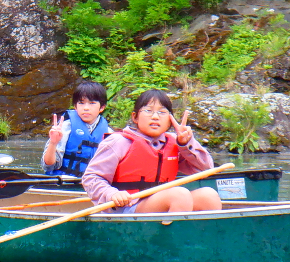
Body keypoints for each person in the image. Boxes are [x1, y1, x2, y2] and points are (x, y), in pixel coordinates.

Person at [81, 89, 221, 214]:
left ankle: (200, 240)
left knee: (209, 196)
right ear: (135, 117)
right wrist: (112, 194)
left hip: (161, 201)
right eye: (148, 110)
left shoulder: (174, 142)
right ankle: (171, 240)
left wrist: (186, 143)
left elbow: (206, 169)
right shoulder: (118, 142)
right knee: (179, 195)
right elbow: (91, 178)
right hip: (127, 206)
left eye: (162, 112)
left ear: (170, 120)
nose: (155, 117)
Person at [42, 79, 110, 177]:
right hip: (63, 181)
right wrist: (53, 143)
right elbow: (48, 166)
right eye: (81, 103)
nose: (86, 108)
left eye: (92, 103)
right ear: (75, 106)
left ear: (102, 107)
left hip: (92, 184)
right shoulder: (65, 128)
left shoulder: (108, 133)